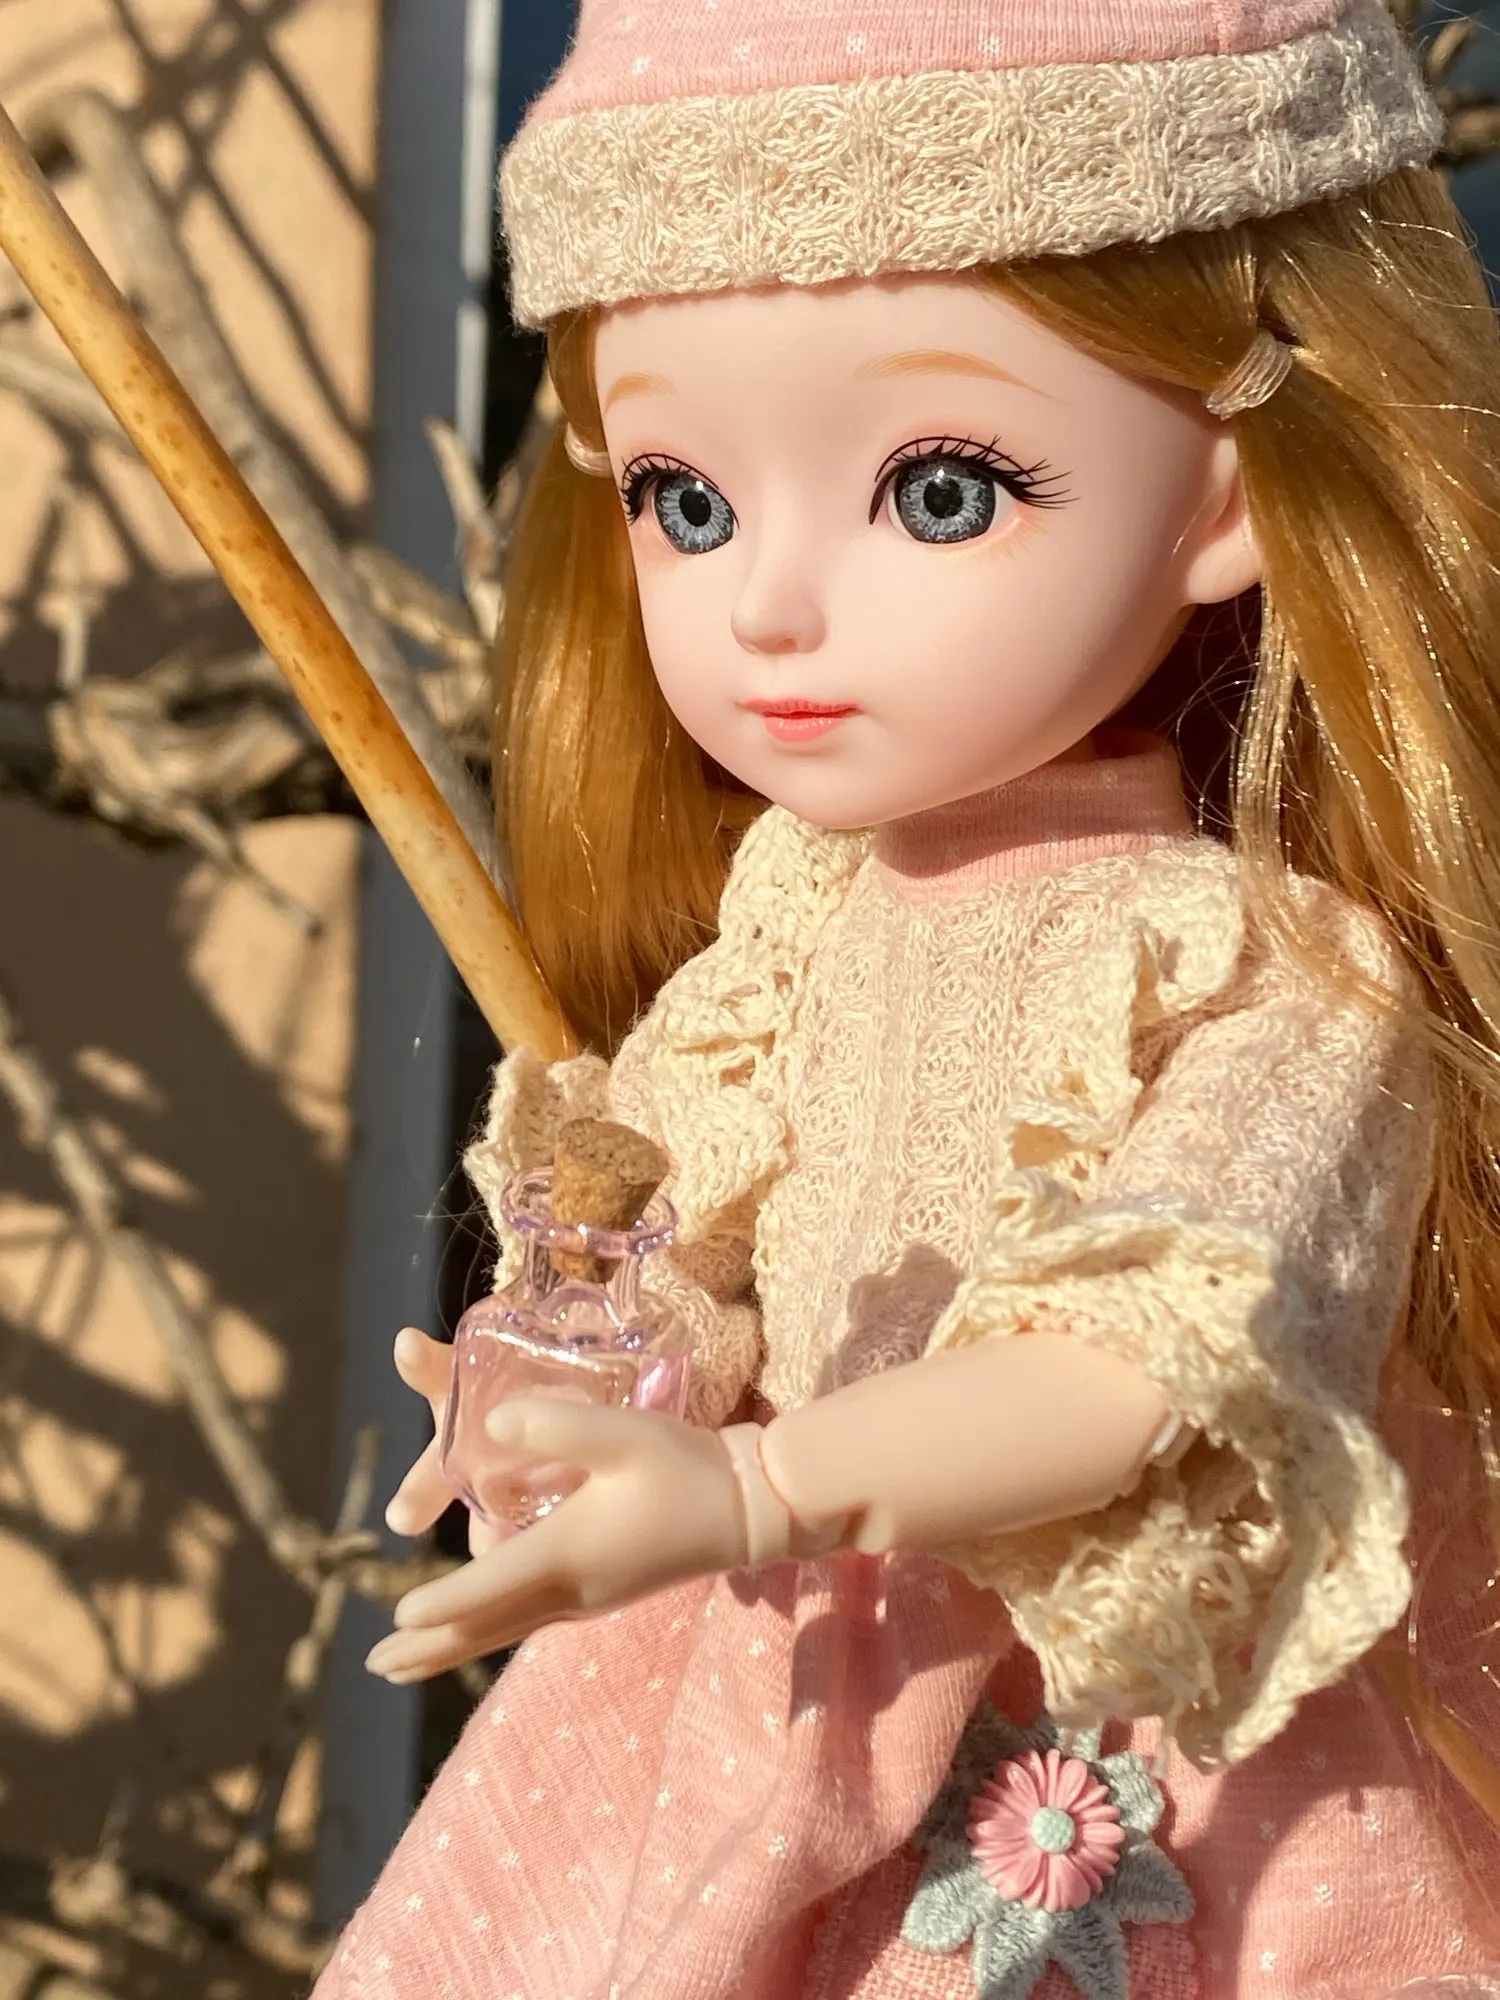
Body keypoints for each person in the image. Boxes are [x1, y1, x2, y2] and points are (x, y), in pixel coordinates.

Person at [313, 2, 1500, 1992]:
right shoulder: (789, 933)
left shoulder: (1265, 979)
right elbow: (685, 1257)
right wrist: (569, 1379)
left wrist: (761, 1486)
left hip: (1118, 1771)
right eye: (685, 500)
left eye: (943, 489)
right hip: (756, 1713)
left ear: (1227, 491)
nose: (770, 605)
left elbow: (1146, 1360)